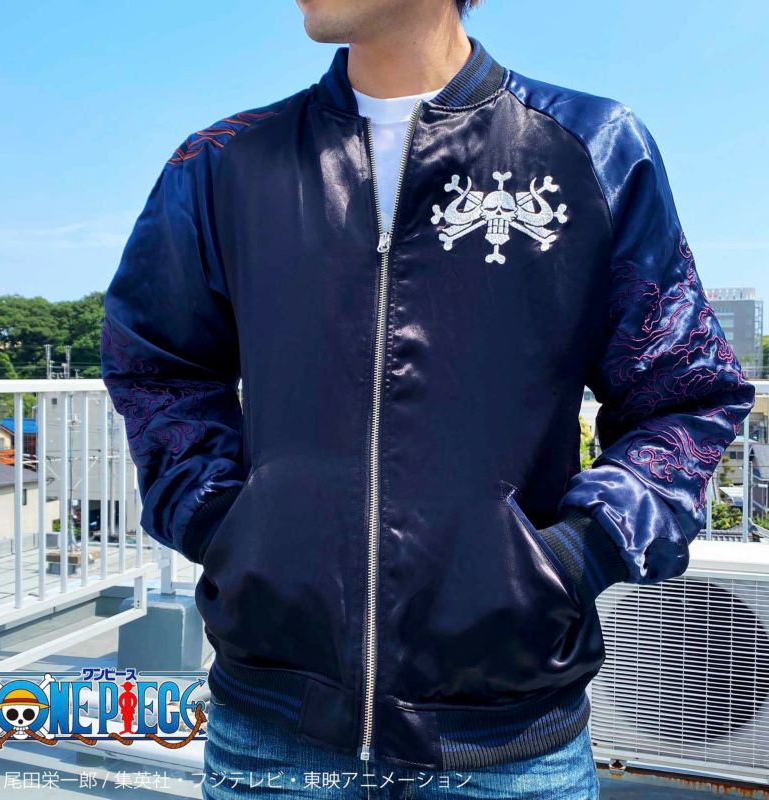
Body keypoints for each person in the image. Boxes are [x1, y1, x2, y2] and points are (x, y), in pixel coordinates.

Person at [100, 0, 755, 797]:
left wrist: (575, 556)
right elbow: (156, 365)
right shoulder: (224, 163)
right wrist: (224, 524)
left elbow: (685, 396)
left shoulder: (593, 148)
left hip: (510, 746)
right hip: (273, 729)